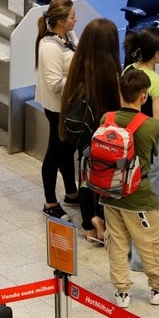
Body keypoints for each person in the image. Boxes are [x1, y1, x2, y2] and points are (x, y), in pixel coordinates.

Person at [102, 69, 159, 309]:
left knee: (116, 242)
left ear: (120, 92)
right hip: (138, 196)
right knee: (152, 242)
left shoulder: (107, 118)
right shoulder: (150, 126)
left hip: (109, 191)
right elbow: (151, 158)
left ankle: (122, 292)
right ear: (144, 97)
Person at [58, 18, 121, 244]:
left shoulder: (79, 65)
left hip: (82, 135)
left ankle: (89, 224)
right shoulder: (111, 73)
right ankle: (101, 221)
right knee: (104, 177)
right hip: (103, 136)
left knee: (85, 175)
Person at [123, 25, 159, 250]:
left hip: (132, 136)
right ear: (156, 53)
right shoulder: (155, 82)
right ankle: (147, 255)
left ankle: (132, 250)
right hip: (151, 141)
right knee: (155, 196)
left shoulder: (129, 69)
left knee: (134, 193)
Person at [35, 0, 79, 218]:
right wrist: (79, 80)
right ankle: (50, 202)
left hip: (70, 106)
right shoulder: (50, 47)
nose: (76, 19)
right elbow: (54, 84)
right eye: (72, 17)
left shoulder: (69, 36)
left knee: (68, 148)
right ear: (61, 21)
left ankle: (71, 193)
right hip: (57, 109)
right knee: (55, 152)